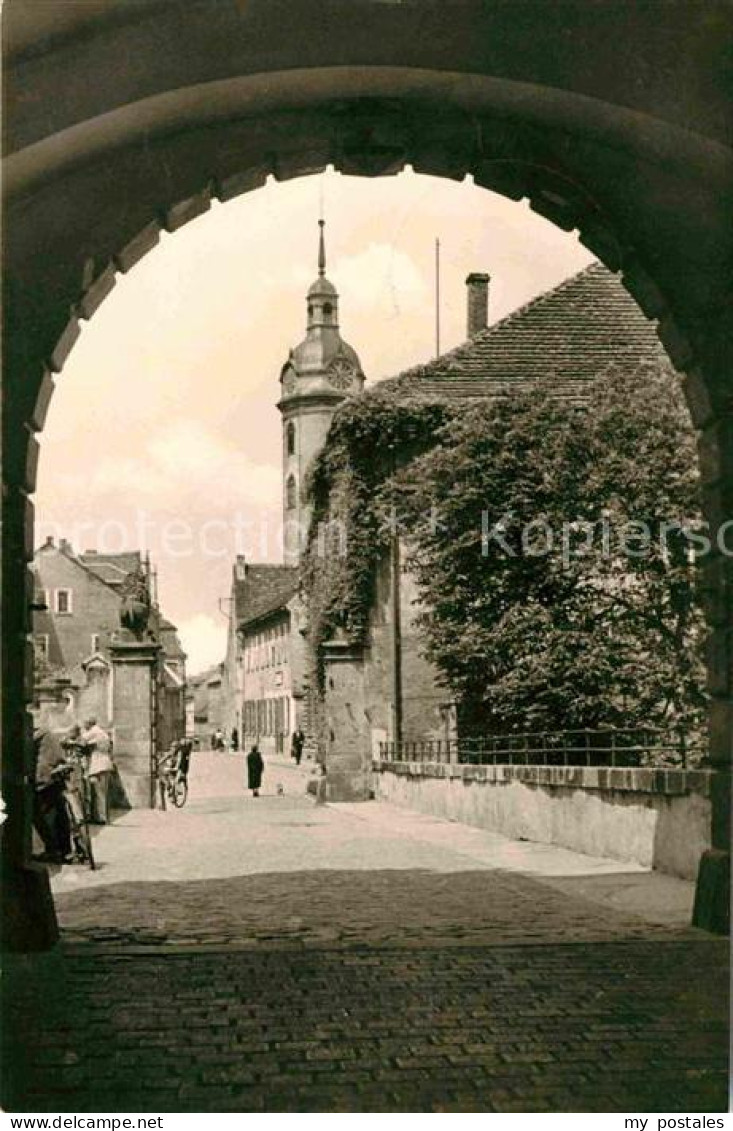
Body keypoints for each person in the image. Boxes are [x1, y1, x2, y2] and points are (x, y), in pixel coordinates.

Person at [33, 724, 72, 863]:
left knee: (43, 816)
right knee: (60, 815)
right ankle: (65, 851)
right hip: (55, 777)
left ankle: (54, 851)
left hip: (44, 778)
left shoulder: (39, 734)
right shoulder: (50, 734)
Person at [81, 717, 114, 824]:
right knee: (103, 793)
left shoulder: (94, 731)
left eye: (85, 724)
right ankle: (102, 816)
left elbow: (82, 740)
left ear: (89, 724)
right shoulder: (102, 733)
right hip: (106, 763)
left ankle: (101, 818)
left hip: (98, 765)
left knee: (98, 793)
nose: (84, 727)